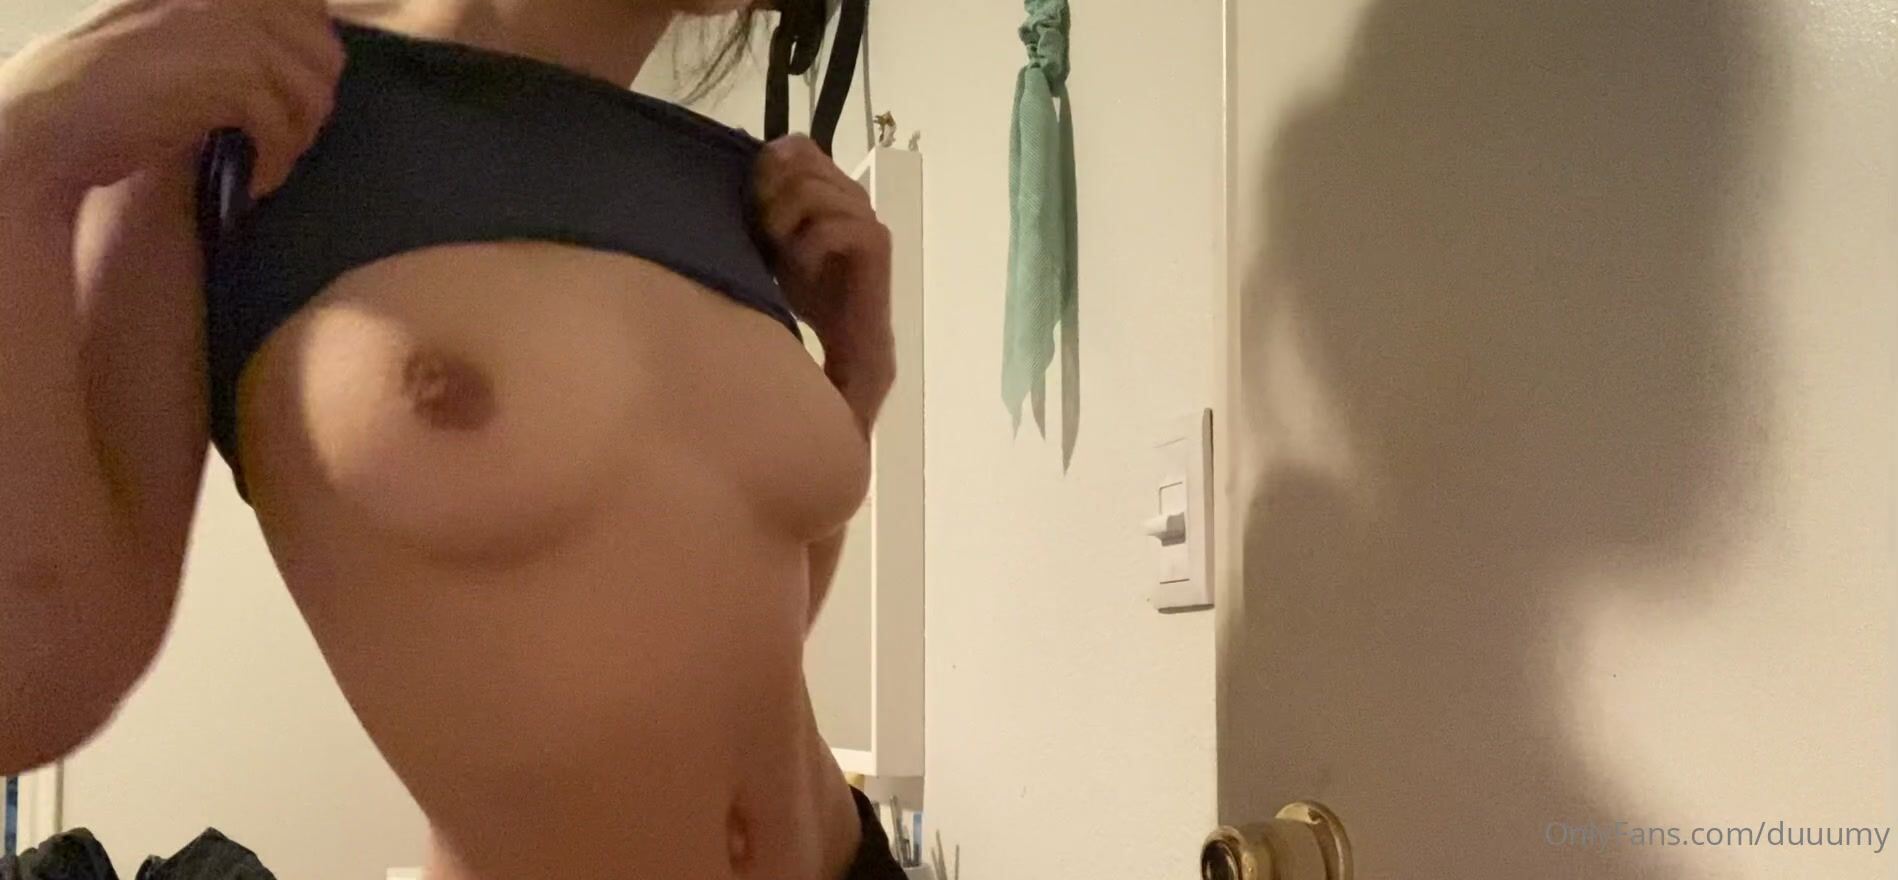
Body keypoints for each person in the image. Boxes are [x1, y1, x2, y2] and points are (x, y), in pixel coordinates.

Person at [0, 0, 902, 877]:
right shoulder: (236, 89)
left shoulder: (728, 184)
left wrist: (857, 381)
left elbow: (713, 633)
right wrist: (18, 161)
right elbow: (30, 690)